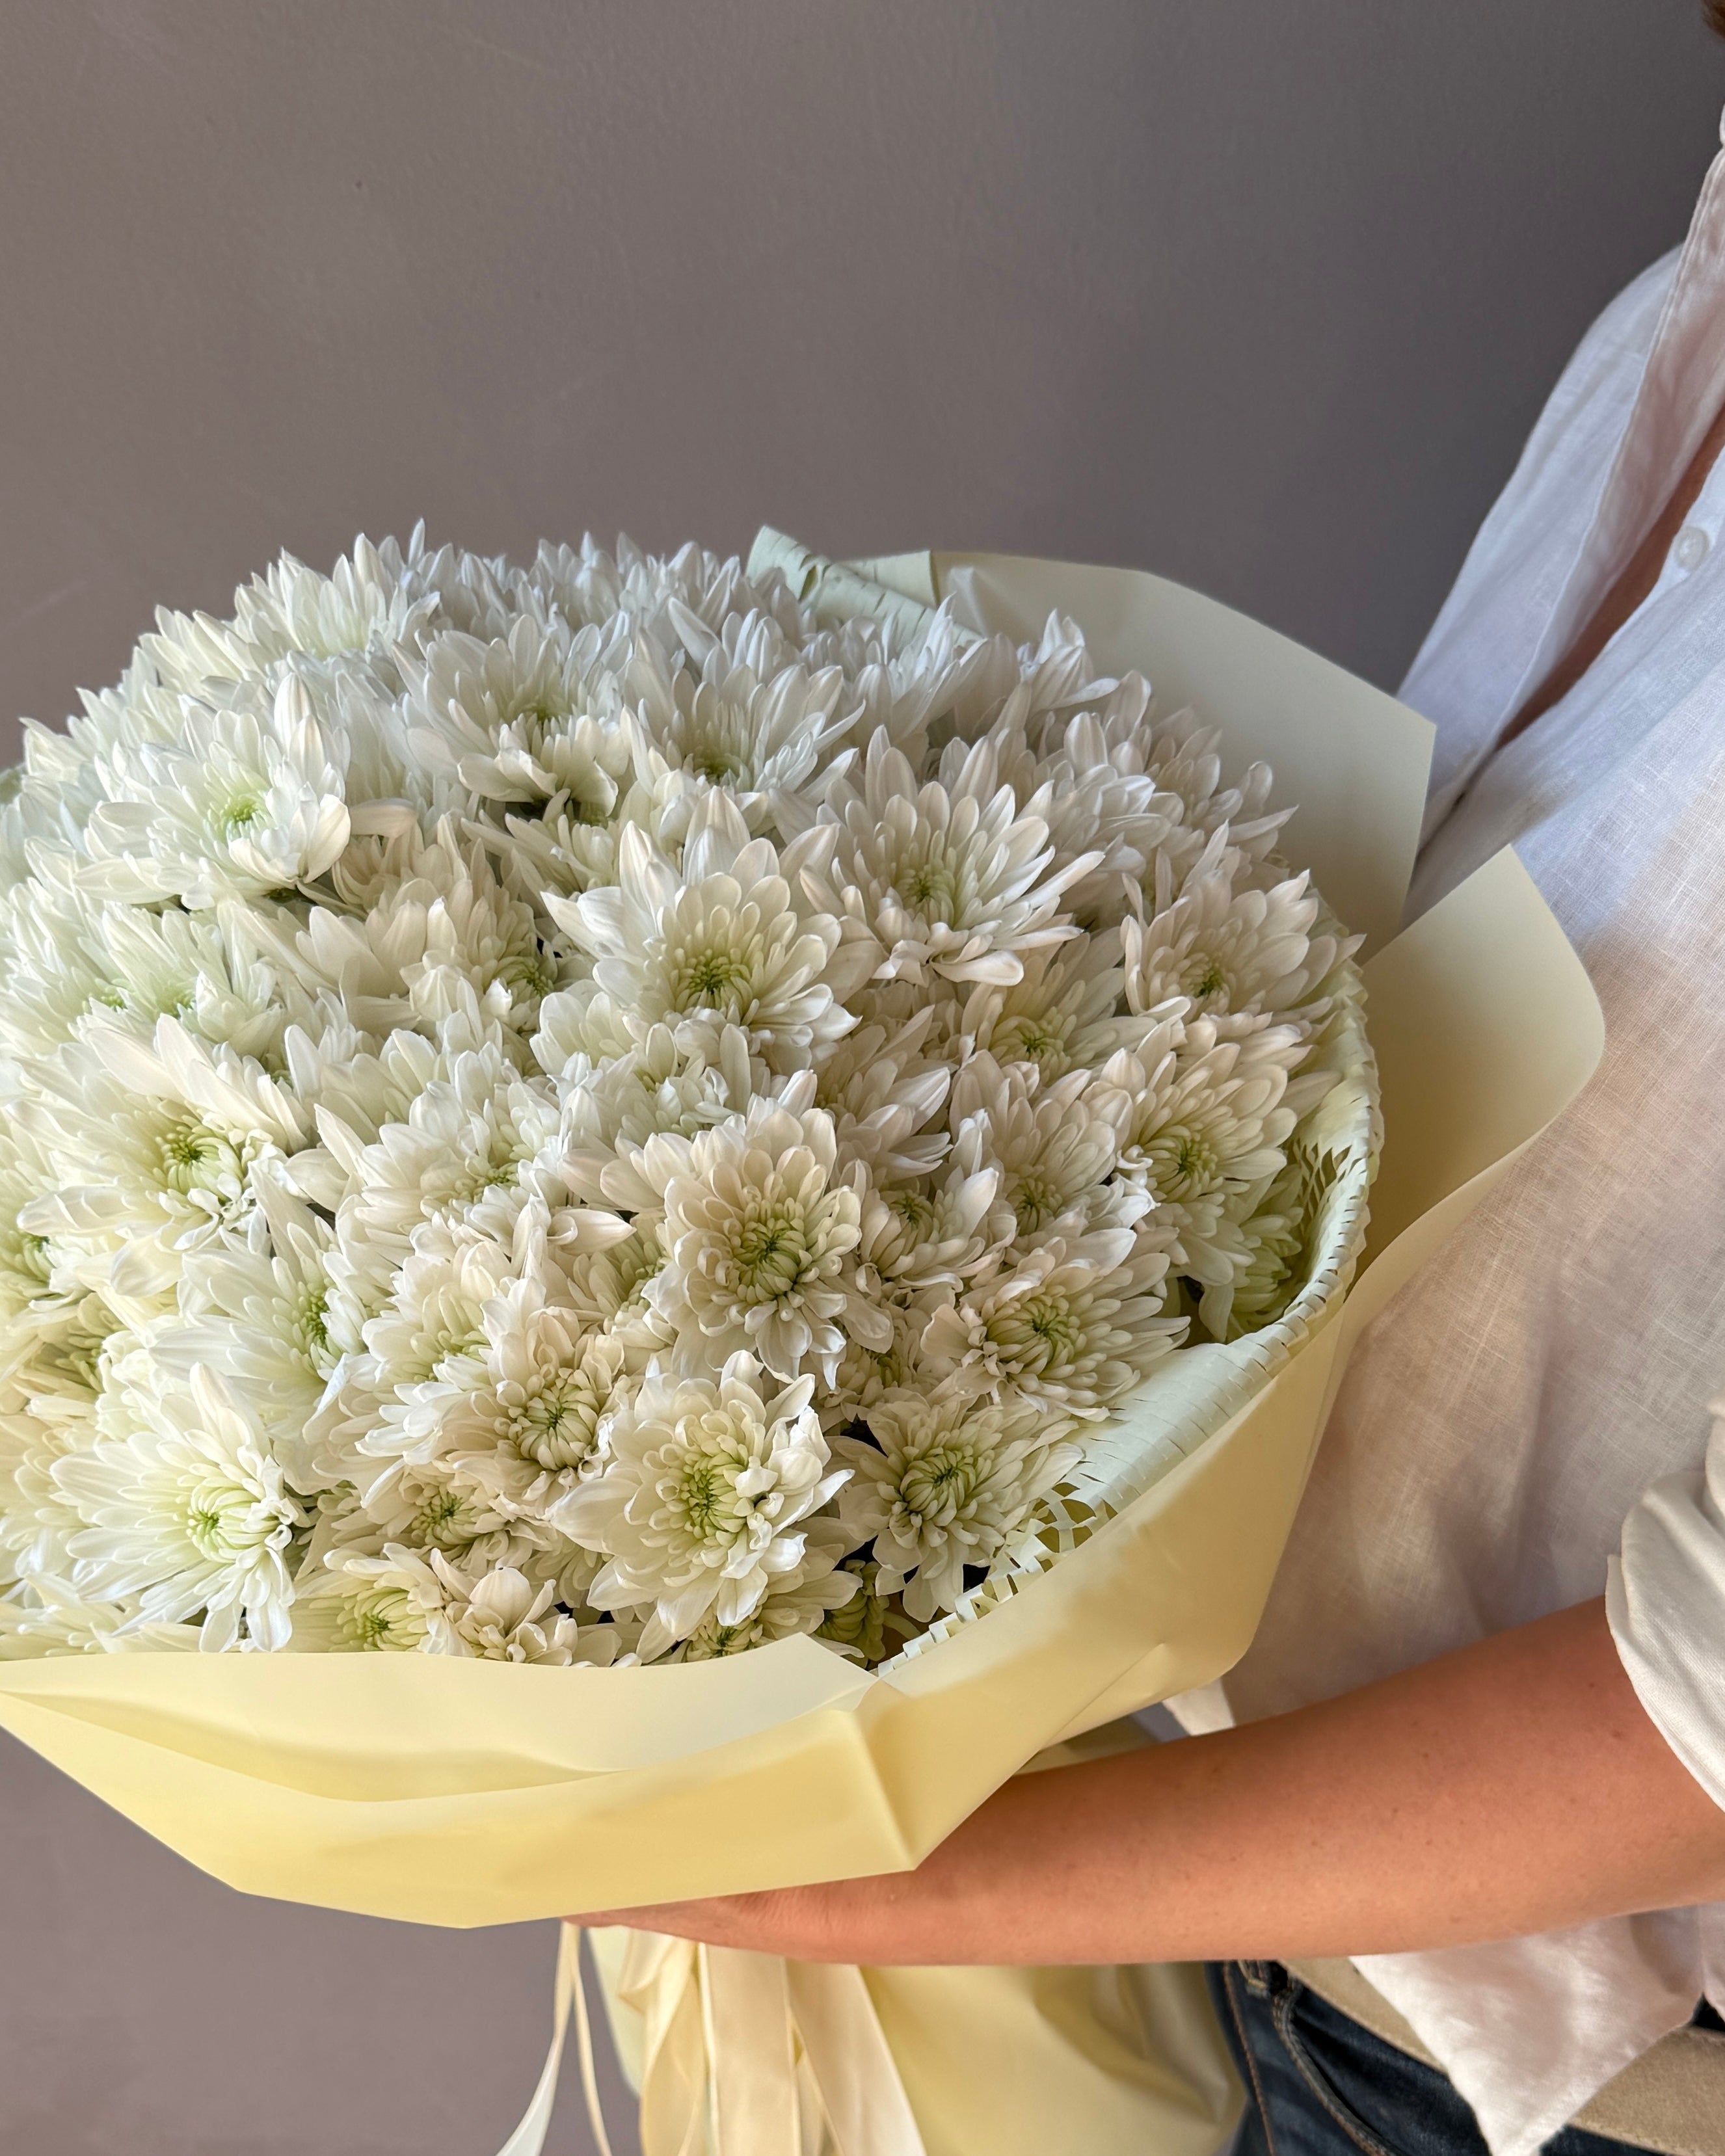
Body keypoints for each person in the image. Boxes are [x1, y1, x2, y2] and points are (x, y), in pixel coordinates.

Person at [576, 38, 1725, 2156]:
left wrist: (846, 1886)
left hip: (1551, 2082)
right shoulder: (1684, 291)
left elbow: (1701, 1716)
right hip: (1233, 1884)